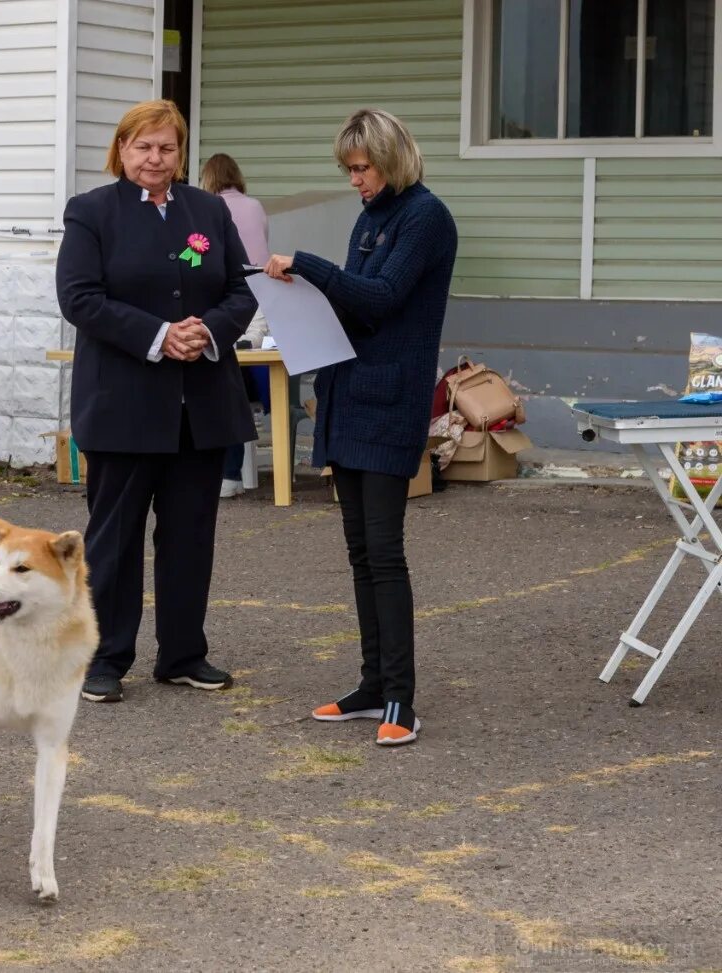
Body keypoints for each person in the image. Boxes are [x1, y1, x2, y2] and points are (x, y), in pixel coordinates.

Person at [264, 108, 457, 747]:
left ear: (391, 158)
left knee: (385, 551)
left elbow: (380, 299)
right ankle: (372, 685)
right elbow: (353, 302)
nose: (354, 181)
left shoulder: (425, 217)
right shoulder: (372, 217)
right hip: (349, 395)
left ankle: (401, 696)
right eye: (349, 170)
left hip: (390, 401)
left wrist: (309, 267)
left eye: (361, 168)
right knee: (359, 552)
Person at [56, 99, 258, 704]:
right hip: (124, 407)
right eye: (143, 146)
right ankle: (103, 658)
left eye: (167, 147)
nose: (155, 158)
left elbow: (238, 288)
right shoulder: (92, 212)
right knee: (113, 541)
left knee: (190, 535)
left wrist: (208, 330)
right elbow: (80, 298)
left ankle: (183, 654)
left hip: (200, 406)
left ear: (181, 153)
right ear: (121, 150)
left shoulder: (209, 210)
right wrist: (158, 336)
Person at [199, 153, 270, 499]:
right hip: (260, 296)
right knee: (242, 386)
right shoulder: (255, 206)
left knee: (223, 387)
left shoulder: (205, 209)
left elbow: (196, 256)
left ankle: (226, 473)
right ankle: (235, 472)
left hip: (222, 299)